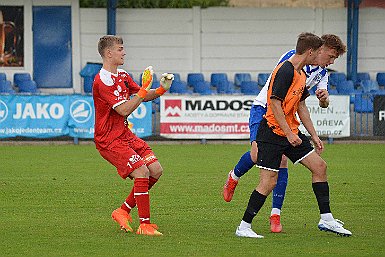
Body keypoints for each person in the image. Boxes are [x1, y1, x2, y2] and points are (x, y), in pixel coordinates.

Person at [223, 34, 347, 233]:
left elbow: (302, 103)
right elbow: (275, 99)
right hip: (267, 115)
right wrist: (288, 132)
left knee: (316, 166)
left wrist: (322, 107)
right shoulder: (290, 64)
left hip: (287, 123)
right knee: (258, 159)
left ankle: (283, 215)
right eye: (330, 56)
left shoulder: (317, 73)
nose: (331, 62)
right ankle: (235, 177)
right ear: (316, 51)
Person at [92, 35, 174, 236]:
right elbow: (124, 110)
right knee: (142, 172)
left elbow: (143, 95)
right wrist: (144, 89)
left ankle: (123, 211)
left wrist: (161, 88)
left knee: (155, 170)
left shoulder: (123, 75)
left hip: (124, 134)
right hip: (109, 139)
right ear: (109, 53)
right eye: (120, 49)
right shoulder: (101, 81)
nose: (124, 52)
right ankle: (145, 225)